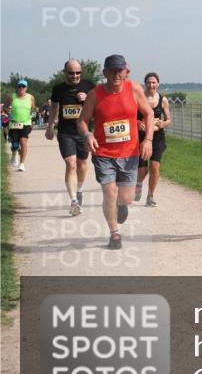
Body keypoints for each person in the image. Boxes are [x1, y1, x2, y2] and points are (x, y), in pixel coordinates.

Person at [78, 55, 154, 250]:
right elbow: (82, 121)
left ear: (126, 71)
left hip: (129, 153)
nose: (116, 74)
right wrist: (88, 135)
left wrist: (148, 139)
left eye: (119, 70)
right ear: (105, 73)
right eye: (112, 71)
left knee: (126, 197)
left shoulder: (135, 89)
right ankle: (114, 233)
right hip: (103, 152)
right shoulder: (95, 94)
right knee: (109, 191)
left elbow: (149, 113)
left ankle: (121, 205)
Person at [46, 59, 95, 215]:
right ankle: (74, 200)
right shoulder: (58, 89)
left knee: (82, 164)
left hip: (84, 132)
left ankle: (79, 189)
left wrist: (87, 99)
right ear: (65, 73)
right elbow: (53, 108)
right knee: (71, 163)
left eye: (78, 72)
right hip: (65, 132)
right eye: (71, 73)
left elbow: (99, 107)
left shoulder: (89, 86)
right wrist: (49, 127)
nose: (75, 76)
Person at [135, 72, 171, 206]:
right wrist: (137, 123)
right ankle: (138, 183)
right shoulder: (139, 98)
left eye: (154, 82)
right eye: (149, 82)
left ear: (158, 84)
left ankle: (150, 196)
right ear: (145, 84)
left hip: (157, 137)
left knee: (155, 166)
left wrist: (164, 123)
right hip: (141, 137)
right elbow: (131, 116)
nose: (151, 85)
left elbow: (168, 119)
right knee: (143, 169)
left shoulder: (163, 100)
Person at [8, 80, 36, 171]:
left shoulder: (31, 97)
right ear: (17, 87)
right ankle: (14, 154)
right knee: (15, 145)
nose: (21, 88)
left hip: (26, 123)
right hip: (14, 123)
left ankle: (22, 164)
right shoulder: (11, 97)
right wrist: (8, 112)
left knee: (23, 141)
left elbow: (34, 108)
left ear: (26, 88)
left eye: (23, 86)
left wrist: (34, 118)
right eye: (19, 86)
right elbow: (5, 107)